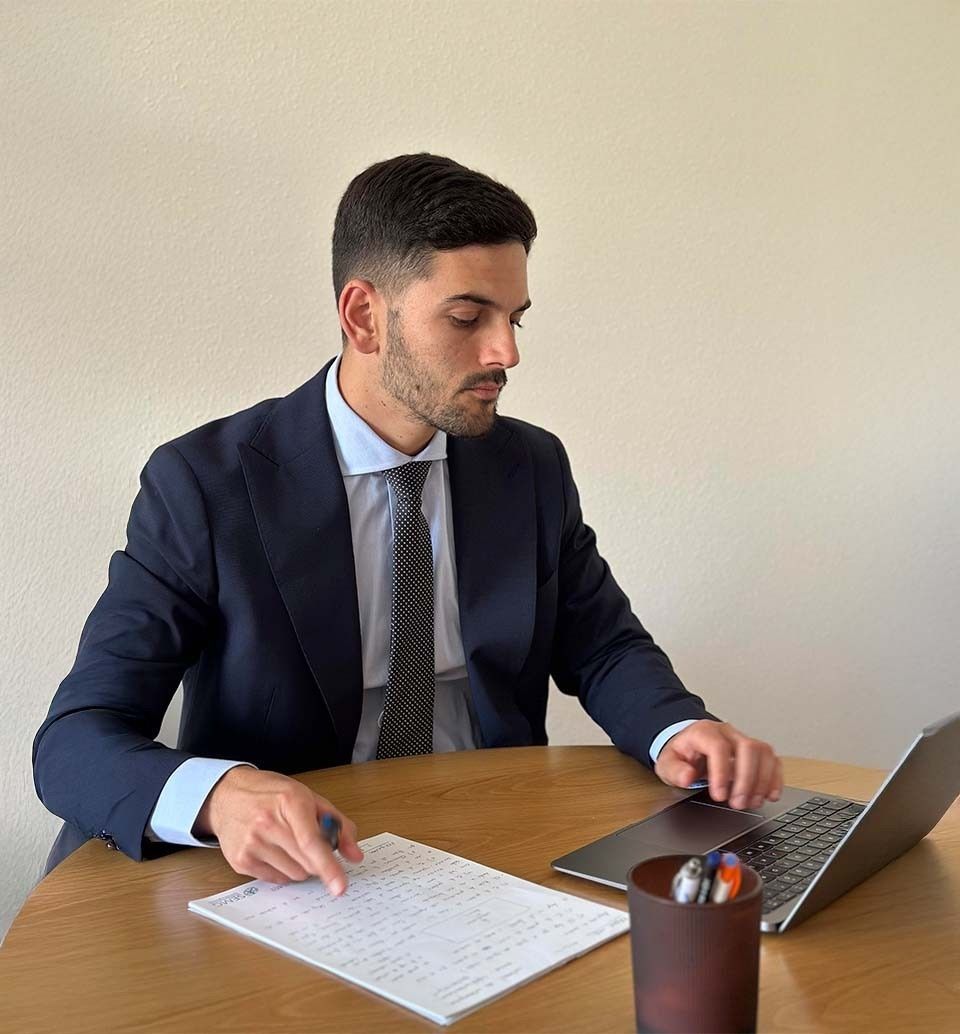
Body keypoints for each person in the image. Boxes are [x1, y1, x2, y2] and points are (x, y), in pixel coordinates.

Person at [33, 153, 781, 895]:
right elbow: (75, 739)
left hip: (495, 846)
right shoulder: (206, 483)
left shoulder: (529, 466)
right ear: (364, 316)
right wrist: (222, 797)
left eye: (514, 319)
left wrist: (678, 729)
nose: (506, 353)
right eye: (468, 317)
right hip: (306, 870)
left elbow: (603, 646)